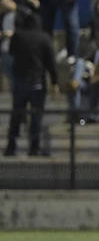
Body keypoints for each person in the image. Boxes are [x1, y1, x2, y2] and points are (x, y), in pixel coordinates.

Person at [5, 10, 59, 158]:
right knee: (36, 116)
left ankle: (11, 146)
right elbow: (51, 62)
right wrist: (54, 81)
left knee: (17, 114)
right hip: (37, 82)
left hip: (19, 80)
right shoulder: (44, 38)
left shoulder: (17, 36)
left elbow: (11, 52)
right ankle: (34, 147)